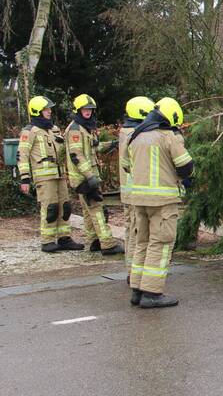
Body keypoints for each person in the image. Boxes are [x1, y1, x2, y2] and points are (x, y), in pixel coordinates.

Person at [124, 97, 192, 308]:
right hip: (162, 201)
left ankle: (137, 290)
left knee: (142, 242)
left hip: (139, 200)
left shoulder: (136, 136)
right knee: (160, 244)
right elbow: (185, 166)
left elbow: (127, 166)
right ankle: (152, 293)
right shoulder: (168, 136)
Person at [17, 96, 83, 252]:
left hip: (60, 175)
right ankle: (47, 241)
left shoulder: (53, 129)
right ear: (37, 111)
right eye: (46, 109)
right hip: (44, 177)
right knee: (50, 208)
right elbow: (22, 155)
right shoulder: (29, 131)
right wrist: (24, 178)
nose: (49, 111)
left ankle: (64, 238)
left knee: (65, 207)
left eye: (49, 109)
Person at [65, 94, 123, 255]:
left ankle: (93, 241)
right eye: (85, 109)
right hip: (84, 178)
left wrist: (111, 144)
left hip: (87, 176)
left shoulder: (85, 127)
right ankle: (108, 244)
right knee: (97, 209)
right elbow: (76, 155)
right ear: (78, 110)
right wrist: (90, 176)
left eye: (90, 109)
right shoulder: (75, 130)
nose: (88, 112)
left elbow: (93, 148)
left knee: (88, 211)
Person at [119, 97, 155, 279]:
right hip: (134, 193)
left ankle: (132, 270)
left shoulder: (127, 131)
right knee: (136, 232)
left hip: (129, 192)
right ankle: (133, 272)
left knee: (131, 230)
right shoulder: (133, 133)